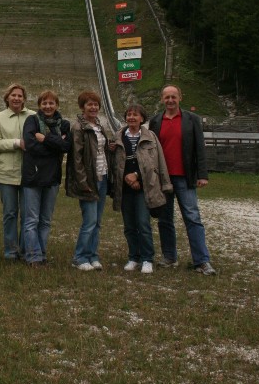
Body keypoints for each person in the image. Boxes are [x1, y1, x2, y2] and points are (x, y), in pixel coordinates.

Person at [148, 85, 216, 275]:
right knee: (164, 219)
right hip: (163, 179)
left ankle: (201, 261)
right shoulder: (156, 121)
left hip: (185, 177)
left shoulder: (192, 119)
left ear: (180, 98)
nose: (170, 100)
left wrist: (202, 174)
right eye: (167, 97)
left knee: (192, 218)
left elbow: (199, 148)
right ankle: (169, 257)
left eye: (173, 97)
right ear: (162, 99)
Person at [111, 104, 172, 274]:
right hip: (125, 188)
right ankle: (133, 257)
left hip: (145, 188)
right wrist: (128, 179)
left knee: (143, 224)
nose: (131, 117)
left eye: (135, 115)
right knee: (129, 226)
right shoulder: (118, 136)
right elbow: (115, 163)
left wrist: (137, 176)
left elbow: (157, 161)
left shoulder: (150, 137)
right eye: (129, 114)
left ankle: (147, 258)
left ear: (142, 118)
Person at [22, 90, 70, 267]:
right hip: (33, 176)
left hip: (52, 178)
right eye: (44, 103)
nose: (48, 106)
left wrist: (46, 138)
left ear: (57, 105)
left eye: (51, 103)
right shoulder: (31, 121)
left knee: (45, 220)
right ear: (39, 105)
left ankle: (41, 255)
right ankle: (33, 256)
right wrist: (55, 144)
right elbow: (30, 145)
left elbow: (66, 146)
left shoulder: (64, 124)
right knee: (32, 220)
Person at [65, 90, 110, 271]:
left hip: (102, 177)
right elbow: (76, 159)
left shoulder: (99, 125)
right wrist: (83, 183)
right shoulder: (78, 127)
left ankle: (93, 256)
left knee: (97, 222)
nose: (93, 107)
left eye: (96, 104)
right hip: (89, 181)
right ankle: (79, 257)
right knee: (89, 221)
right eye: (89, 104)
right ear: (82, 107)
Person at [0, 83, 35, 261]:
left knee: (27, 215)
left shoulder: (33, 116)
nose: (16, 98)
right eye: (13, 95)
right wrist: (16, 143)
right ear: (7, 98)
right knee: (9, 213)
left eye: (19, 96)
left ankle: (25, 250)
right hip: (6, 173)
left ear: (24, 99)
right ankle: (10, 251)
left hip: (29, 174)